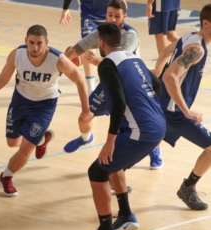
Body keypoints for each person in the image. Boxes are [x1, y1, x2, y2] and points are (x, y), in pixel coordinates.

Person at [0, 24, 92, 197]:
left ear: (46, 42)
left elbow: (80, 80)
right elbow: (2, 79)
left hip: (44, 107)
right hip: (20, 101)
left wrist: (85, 110)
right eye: (32, 43)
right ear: (25, 41)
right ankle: (42, 139)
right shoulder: (17, 55)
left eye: (39, 43)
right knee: (12, 143)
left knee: (25, 151)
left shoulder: (58, 59)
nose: (35, 48)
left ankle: (6, 177)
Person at [83, 22, 166, 230]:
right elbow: (157, 84)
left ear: (101, 42)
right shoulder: (134, 58)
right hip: (157, 125)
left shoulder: (107, 64)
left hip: (143, 130)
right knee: (113, 164)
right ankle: (127, 216)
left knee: (97, 170)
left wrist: (109, 142)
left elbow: (118, 102)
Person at [64, 0, 164, 170]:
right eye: (109, 15)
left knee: (142, 121)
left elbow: (115, 61)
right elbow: (77, 48)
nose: (112, 19)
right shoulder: (102, 32)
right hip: (110, 82)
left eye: (116, 16)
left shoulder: (129, 34)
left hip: (132, 83)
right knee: (85, 115)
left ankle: (154, 150)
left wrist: (95, 61)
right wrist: (65, 60)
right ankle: (86, 137)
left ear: (124, 16)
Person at [152, 3, 211, 210]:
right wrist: (187, 111)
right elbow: (171, 76)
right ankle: (188, 187)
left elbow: (166, 51)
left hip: (164, 109)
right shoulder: (196, 49)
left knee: (139, 147)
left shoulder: (190, 36)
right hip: (174, 114)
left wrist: (156, 75)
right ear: (206, 23)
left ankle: (110, 173)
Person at [59, 0, 126, 94]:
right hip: (89, 15)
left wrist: (123, 6)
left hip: (110, 15)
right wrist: (65, 9)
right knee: (89, 49)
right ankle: (90, 89)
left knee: (113, 47)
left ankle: (115, 81)